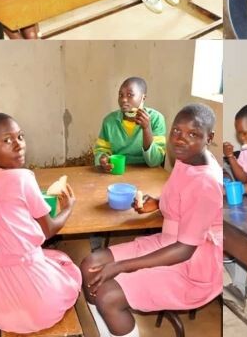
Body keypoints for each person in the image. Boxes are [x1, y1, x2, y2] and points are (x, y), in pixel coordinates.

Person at [81, 104, 222, 337]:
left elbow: (185, 250)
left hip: (192, 265)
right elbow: (183, 199)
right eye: (176, 131)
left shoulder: (206, 182)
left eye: (193, 134)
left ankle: (112, 315)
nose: (180, 140)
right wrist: (157, 203)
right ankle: (110, 328)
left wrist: (120, 267)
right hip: (169, 242)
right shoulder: (187, 159)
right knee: (90, 265)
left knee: (107, 295)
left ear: (210, 137)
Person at [0, 113, 81, 333]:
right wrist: (69, 207)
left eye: (20, 137)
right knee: (71, 269)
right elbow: (49, 230)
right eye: (7, 140)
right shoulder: (21, 178)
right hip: (36, 305)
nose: (19, 146)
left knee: (50, 259)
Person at [94, 77, 166, 171]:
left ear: (143, 98)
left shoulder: (156, 119)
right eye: (121, 95)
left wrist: (146, 128)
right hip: (117, 170)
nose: (123, 99)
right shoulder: (110, 121)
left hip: (147, 173)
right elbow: (101, 150)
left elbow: (154, 161)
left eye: (130, 95)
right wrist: (103, 159)